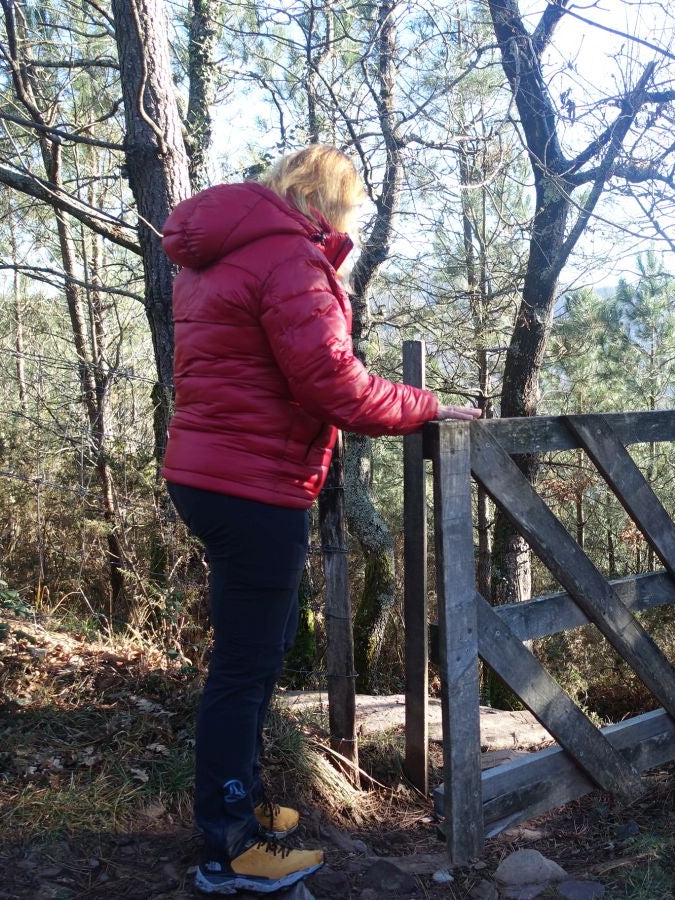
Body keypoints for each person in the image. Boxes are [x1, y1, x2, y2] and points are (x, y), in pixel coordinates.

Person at [160, 145, 480, 895]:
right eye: (349, 207)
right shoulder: (289, 262)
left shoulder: (214, 256)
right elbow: (337, 388)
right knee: (244, 669)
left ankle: (235, 806)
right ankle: (228, 849)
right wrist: (430, 405)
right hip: (252, 485)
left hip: (208, 474)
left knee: (250, 660)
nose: (350, 221)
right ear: (327, 201)